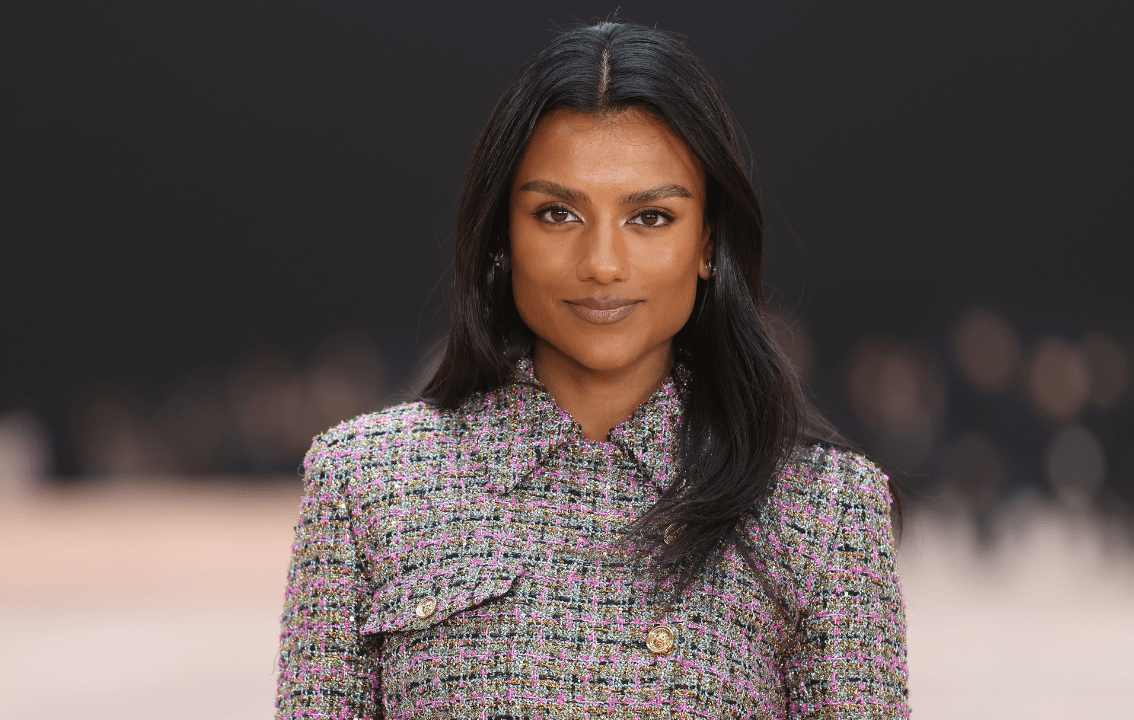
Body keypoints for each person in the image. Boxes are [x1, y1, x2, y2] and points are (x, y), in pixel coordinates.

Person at [277, 21, 907, 719]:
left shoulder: (823, 511)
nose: (602, 263)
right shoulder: (368, 483)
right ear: (499, 239)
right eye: (557, 213)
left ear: (709, 243)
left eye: (650, 217)